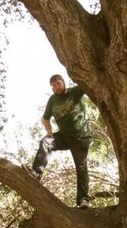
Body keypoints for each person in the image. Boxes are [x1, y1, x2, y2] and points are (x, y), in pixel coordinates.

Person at [31, 74, 91, 209]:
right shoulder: (52, 100)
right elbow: (45, 118)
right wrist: (50, 132)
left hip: (80, 137)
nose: (56, 87)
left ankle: (83, 200)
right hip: (64, 137)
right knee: (46, 141)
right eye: (53, 85)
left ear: (63, 83)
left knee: (81, 168)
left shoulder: (74, 92)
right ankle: (36, 173)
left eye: (58, 83)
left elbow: (88, 83)